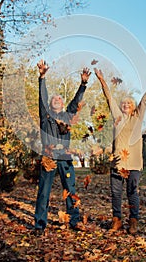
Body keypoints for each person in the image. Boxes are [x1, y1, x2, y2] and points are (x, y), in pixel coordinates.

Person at [94, 68, 146, 234]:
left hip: (133, 163)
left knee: (132, 192)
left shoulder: (138, 117)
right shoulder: (117, 117)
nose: (126, 105)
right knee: (116, 193)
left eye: (129, 103)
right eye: (123, 103)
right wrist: (102, 80)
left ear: (133, 106)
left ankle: (133, 221)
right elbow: (109, 97)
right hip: (118, 163)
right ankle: (117, 220)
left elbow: (145, 100)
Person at [34, 59, 91, 234]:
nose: (57, 100)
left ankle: (74, 220)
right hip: (49, 159)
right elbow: (42, 97)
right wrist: (42, 77)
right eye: (55, 99)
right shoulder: (46, 116)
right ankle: (39, 225)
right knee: (44, 192)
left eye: (60, 98)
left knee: (71, 191)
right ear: (50, 104)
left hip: (65, 158)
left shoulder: (67, 116)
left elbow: (75, 102)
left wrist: (83, 84)